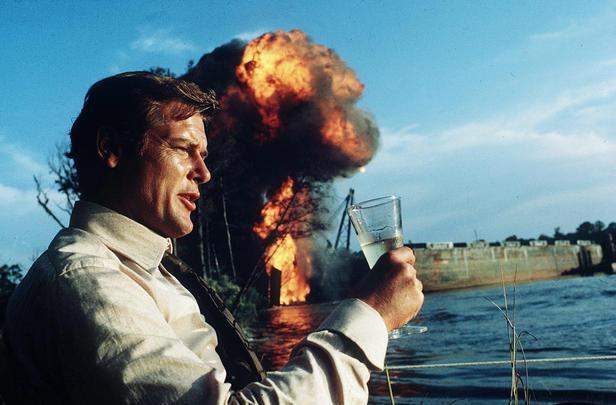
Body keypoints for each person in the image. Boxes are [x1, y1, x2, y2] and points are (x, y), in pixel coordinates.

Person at [4, 72, 423, 404]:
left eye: (203, 155)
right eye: (182, 148)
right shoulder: (88, 280)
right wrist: (370, 316)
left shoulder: (143, 270)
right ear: (111, 149)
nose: (203, 173)